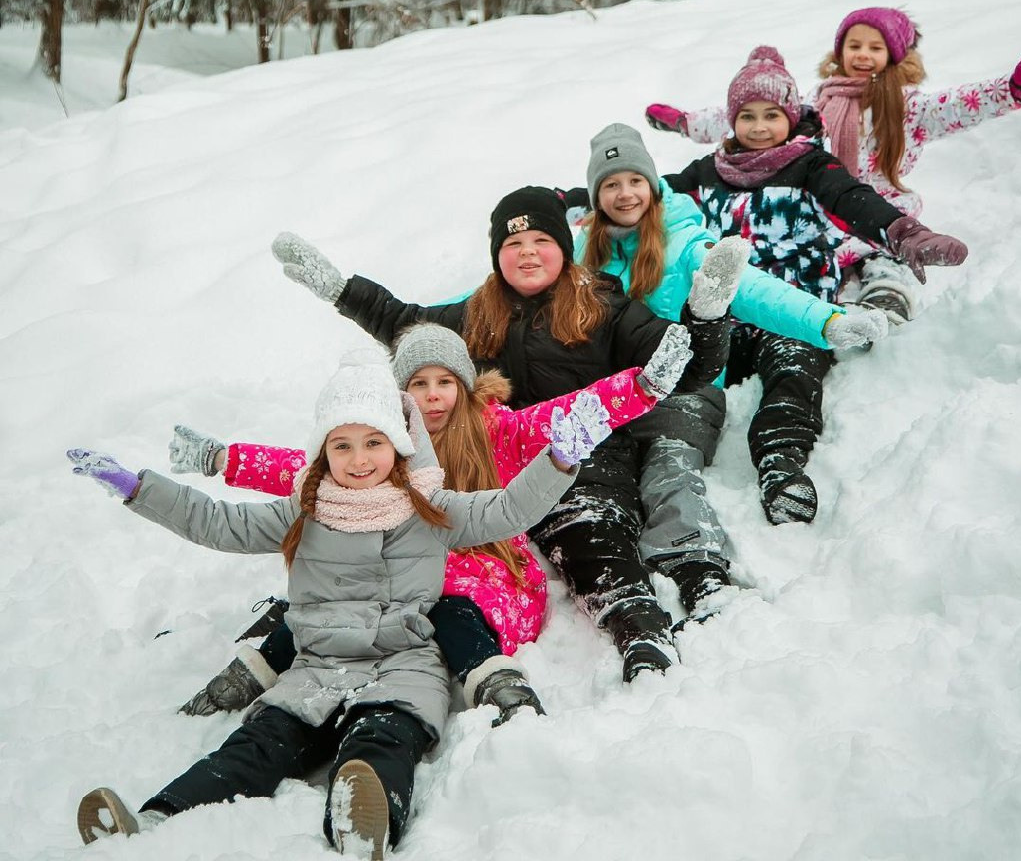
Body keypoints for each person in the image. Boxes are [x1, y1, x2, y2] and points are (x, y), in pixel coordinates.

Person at [66, 341, 656, 857]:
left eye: (374, 442)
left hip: (405, 666)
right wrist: (138, 489)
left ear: (399, 445)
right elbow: (217, 522)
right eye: (342, 445)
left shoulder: (431, 510)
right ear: (323, 452)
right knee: (253, 747)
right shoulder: (304, 510)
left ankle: (363, 826)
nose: (358, 459)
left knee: (383, 741)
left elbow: (507, 509)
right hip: (316, 668)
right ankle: (152, 821)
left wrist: (558, 460)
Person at [268, 187, 749, 682]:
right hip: (489, 472)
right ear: (498, 255)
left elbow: (685, 367)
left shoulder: (605, 306)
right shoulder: (474, 313)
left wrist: (706, 317)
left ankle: (640, 627)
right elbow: (404, 324)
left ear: (564, 247)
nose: (527, 253)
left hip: (577, 462)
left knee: (589, 536)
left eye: (541, 241)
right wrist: (340, 290)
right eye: (513, 244)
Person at [167, 321, 687, 725]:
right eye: (418, 383)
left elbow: (575, 411)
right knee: (329, 594)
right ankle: (255, 672)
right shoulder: (383, 447)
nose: (433, 395)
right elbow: (298, 470)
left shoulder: (500, 430)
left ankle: (492, 679)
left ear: (464, 385)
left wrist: (643, 386)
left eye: (444, 382)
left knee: (443, 598)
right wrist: (221, 459)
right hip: (396, 563)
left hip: (483, 565)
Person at [653, 46, 967, 523]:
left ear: (791, 115)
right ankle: (670, 473)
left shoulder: (812, 166)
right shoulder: (708, 172)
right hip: (727, 315)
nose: (759, 126)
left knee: (793, 375)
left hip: (792, 312)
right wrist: (566, 202)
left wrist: (906, 234)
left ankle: (781, 463)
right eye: (747, 116)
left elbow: (855, 200)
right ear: (732, 121)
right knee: (685, 378)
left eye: (771, 115)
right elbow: (641, 195)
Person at [557, 120, 889, 525]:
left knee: (669, 475)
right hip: (612, 393)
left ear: (653, 186)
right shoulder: (581, 252)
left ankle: (692, 549)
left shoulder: (685, 242)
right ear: (596, 196)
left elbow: (750, 287)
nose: (625, 193)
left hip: (684, 389)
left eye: (635, 181)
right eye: (611, 184)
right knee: (594, 482)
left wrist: (826, 320)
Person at [645, 7, 1021, 322]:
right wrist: (686, 122)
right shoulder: (819, 98)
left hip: (881, 214)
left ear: (895, 55)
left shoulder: (908, 106)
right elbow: (748, 117)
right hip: (821, 211)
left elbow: (959, 105)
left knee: (884, 263)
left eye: (875, 47)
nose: (862, 54)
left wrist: (1011, 90)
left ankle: (885, 301)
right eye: (854, 45)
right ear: (839, 51)